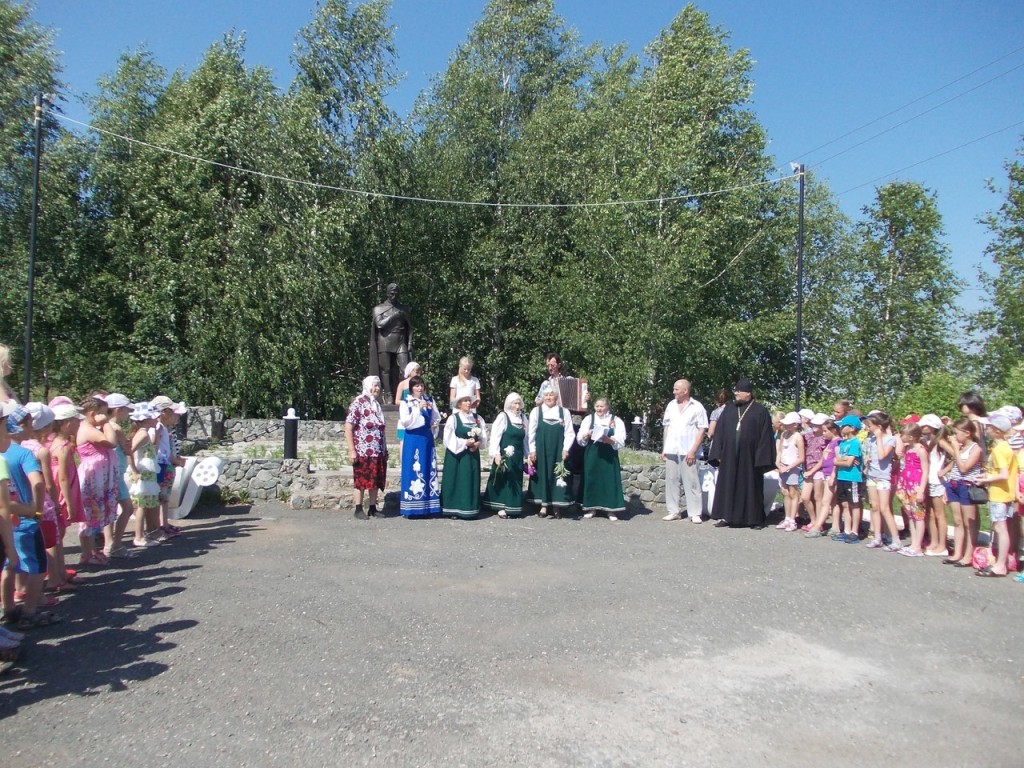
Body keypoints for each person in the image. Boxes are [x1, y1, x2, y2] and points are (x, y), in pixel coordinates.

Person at [708, 379, 776, 528]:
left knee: (751, 487)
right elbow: (719, 432)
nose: (736, 394)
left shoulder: (760, 411)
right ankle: (727, 516)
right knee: (728, 485)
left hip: (750, 457)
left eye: (739, 391)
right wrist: (717, 452)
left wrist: (761, 457)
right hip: (729, 456)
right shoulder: (729, 409)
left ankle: (755, 519)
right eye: (736, 391)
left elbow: (765, 436)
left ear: (748, 393)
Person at [974, 413, 1018, 577]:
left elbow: (1004, 475)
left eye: (990, 428)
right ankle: (1002, 561)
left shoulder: (999, 450)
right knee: (1002, 528)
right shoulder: (1006, 447)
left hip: (999, 494)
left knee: (1000, 528)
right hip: (1005, 493)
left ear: (997, 431)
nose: (986, 430)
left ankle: (1000, 565)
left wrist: (986, 480)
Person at [76, 396, 118, 564]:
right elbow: (111, 442)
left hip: (99, 477)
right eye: (103, 413)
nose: (105, 415)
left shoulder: (91, 427)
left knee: (96, 514)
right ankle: (87, 553)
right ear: (93, 413)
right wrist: (107, 423)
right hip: (91, 478)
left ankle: (92, 551)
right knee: (89, 514)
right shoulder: (87, 429)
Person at [661, 380, 708, 523]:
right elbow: (666, 427)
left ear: (685, 391)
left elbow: (702, 429)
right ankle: (673, 510)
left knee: (692, 481)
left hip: (688, 450)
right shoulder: (671, 405)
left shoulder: (697, 407)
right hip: (672, 449)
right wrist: (664, 448)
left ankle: (695, 513)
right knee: (671, 480)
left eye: (676, 389)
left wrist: (693, 450)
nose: (674, 392)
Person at [938, 417, 983, 567]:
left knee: (968, 522)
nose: (955, 436)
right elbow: (956, 465)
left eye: (957, 433)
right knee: (957, 521)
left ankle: (968, 554)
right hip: (954, 484)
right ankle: (957, 552)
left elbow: (964, 468)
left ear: (967, 433)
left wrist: (956, 449)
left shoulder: (975, 448)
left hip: (966, 486)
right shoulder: (961, 447)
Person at [528, 383, 575, 518]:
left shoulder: (564, 412)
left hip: (558, 449)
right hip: (541, 450)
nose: (549, 397)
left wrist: (566, 449)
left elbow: (570, 433)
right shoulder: (536, 412)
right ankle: (543, 506)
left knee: (558, 475)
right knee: (543, 474)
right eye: (546, 395)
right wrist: (532, 450)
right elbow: (531, 433)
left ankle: (556, 507)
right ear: (543, 397)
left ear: (556, 397)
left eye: (551, 395)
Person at [345, 376, 388, 519]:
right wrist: (352, 450)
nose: (377, 389)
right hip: (363, 450)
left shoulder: (376, 405)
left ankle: (372, 508)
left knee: (375, 480)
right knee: (361, 480)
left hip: (377, 450)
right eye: (374, 385)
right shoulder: (358, 403)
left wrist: (385, 448)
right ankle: (358, 508)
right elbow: (348, 427)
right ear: (367, 386)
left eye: (378, 386)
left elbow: (381, 429)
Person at [397, 375, 441, 518]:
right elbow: (405, 423)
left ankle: (428, 507)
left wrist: (434, 424)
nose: (420, 388)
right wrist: (417, 409)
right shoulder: (406, 403)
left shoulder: (429, 400)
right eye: (416, 386)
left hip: (426, 439)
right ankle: (411, 508)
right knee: (413, 468)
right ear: (411, 388)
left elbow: (436, 417)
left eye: (421, 385)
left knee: (427, 468)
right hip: (413, 439)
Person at [577, 398, 627, 521]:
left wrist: (610, 440)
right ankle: (591, 508)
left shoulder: (615, 420)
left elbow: (621, 438)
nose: (599, 409)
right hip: (592, 454)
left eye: (602, 406)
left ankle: (610, 509)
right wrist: (586, 434)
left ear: (607, 407)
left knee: (609, 480)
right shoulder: (589, 419)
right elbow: (580, 437)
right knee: (591, 478)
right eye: (597, 406)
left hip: (609, 454)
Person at [483, 393, 529, 519]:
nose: (517, 406)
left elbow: (526, 439)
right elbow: (495, 436)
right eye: (515, 403)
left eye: (519, 403)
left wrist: (528, 455)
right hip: (504, 455)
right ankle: (500, 506)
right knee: (503, 477)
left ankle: (513, 506)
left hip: (517, 456)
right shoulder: (503, 417)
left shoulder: (523, 418)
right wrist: (495, 454)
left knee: (515, 479)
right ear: (509, 404)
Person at [440, 395, 486, 519]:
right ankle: (453, 509)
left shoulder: (477, 418)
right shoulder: (453, 419)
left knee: (469, 480)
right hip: (457, 456)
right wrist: (465, 443)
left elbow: (483, 437)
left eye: (469, 401)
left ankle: (470, 508)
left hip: (472, 455)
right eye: (465, 401)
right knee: (456, 480)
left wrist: (477, 444)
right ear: (459, 404)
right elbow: (448, 439)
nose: (468, 403)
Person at [863, 412, 902, 551]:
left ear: (879, 427)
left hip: (883, 477)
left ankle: (895, 539)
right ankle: (877, 536)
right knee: (874, 506)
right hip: (872, 475)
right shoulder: (872, 439)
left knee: (885, 508)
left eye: (870, 425)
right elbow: (872, 455)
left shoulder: (890, 439)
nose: (868, 428)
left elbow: (882, 455)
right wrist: (867, 462)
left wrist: (879, 438)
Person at [369, 283, 413, 403]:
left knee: (406, 369)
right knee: (386, 369)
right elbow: (379, 324)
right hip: (385, 341)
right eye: (392, 292)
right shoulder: (379, 309)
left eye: (396, 292)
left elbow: (410, 327)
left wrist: (410, 343)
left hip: (400, 340)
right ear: (387, 293)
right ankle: (388, 394)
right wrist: (393, 316)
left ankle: (406, 394)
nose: (394, 295)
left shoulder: (404, 309)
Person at [896, 424, 929, 557]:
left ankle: (918, 546)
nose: (901, 437)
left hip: (916, 484)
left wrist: (921, 489)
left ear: (910, 437)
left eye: (903, 435)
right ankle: (913, 543)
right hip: (907, 483)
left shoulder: (921, 450)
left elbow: (925, 470)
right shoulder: (908, 448)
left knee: (918, 515)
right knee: (910, 514)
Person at [832, 414, 865, 544]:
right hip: (842, 476)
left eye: (843, 425)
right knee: (844, 504)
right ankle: (846, 530)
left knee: (854, 504)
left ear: (851, 428)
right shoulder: (843, 443)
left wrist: (838, 460)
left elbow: (849, 462)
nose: (840, 428)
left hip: (852, 477)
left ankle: (854, 531)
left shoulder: (855, 443)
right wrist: (840, 460)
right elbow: (840, 459)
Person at [775, 412, 805, 531]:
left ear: (795, 425)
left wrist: (788, 467)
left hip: (793, 468)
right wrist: (778, 462)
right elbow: (780, 451)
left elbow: (801, 458)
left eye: (789, 424)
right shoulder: (783, 435)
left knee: (793, 493)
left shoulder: (798, 437)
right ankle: (787, 518)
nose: (786, 426)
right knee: (785, 493)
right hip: (783, 466)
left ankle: (793, 519)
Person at [395, 361, 421, 451]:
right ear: (410, 371)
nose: (418, 373)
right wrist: (406, 403)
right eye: (416, 371)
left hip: (417, 414)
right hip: (406, 413)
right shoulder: (402, 384)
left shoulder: (420, 384)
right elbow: (397, 400)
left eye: (419, 371)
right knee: (404, 443)